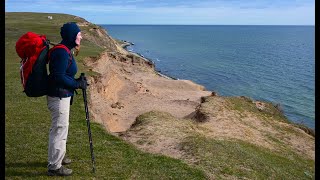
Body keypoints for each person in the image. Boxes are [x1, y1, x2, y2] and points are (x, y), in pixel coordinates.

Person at [46, 22, 88, 176]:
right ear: (72, 36)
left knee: (58, 129)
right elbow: (58, 76)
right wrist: (77, 84)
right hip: (59, 96)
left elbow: (64, 74)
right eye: (79, 34)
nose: (81, 36)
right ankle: (54, 167)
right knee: (59, 130)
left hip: (61, 95)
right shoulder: (62, 52)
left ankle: (57, 157)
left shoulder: (65, 50)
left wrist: (75, 81)